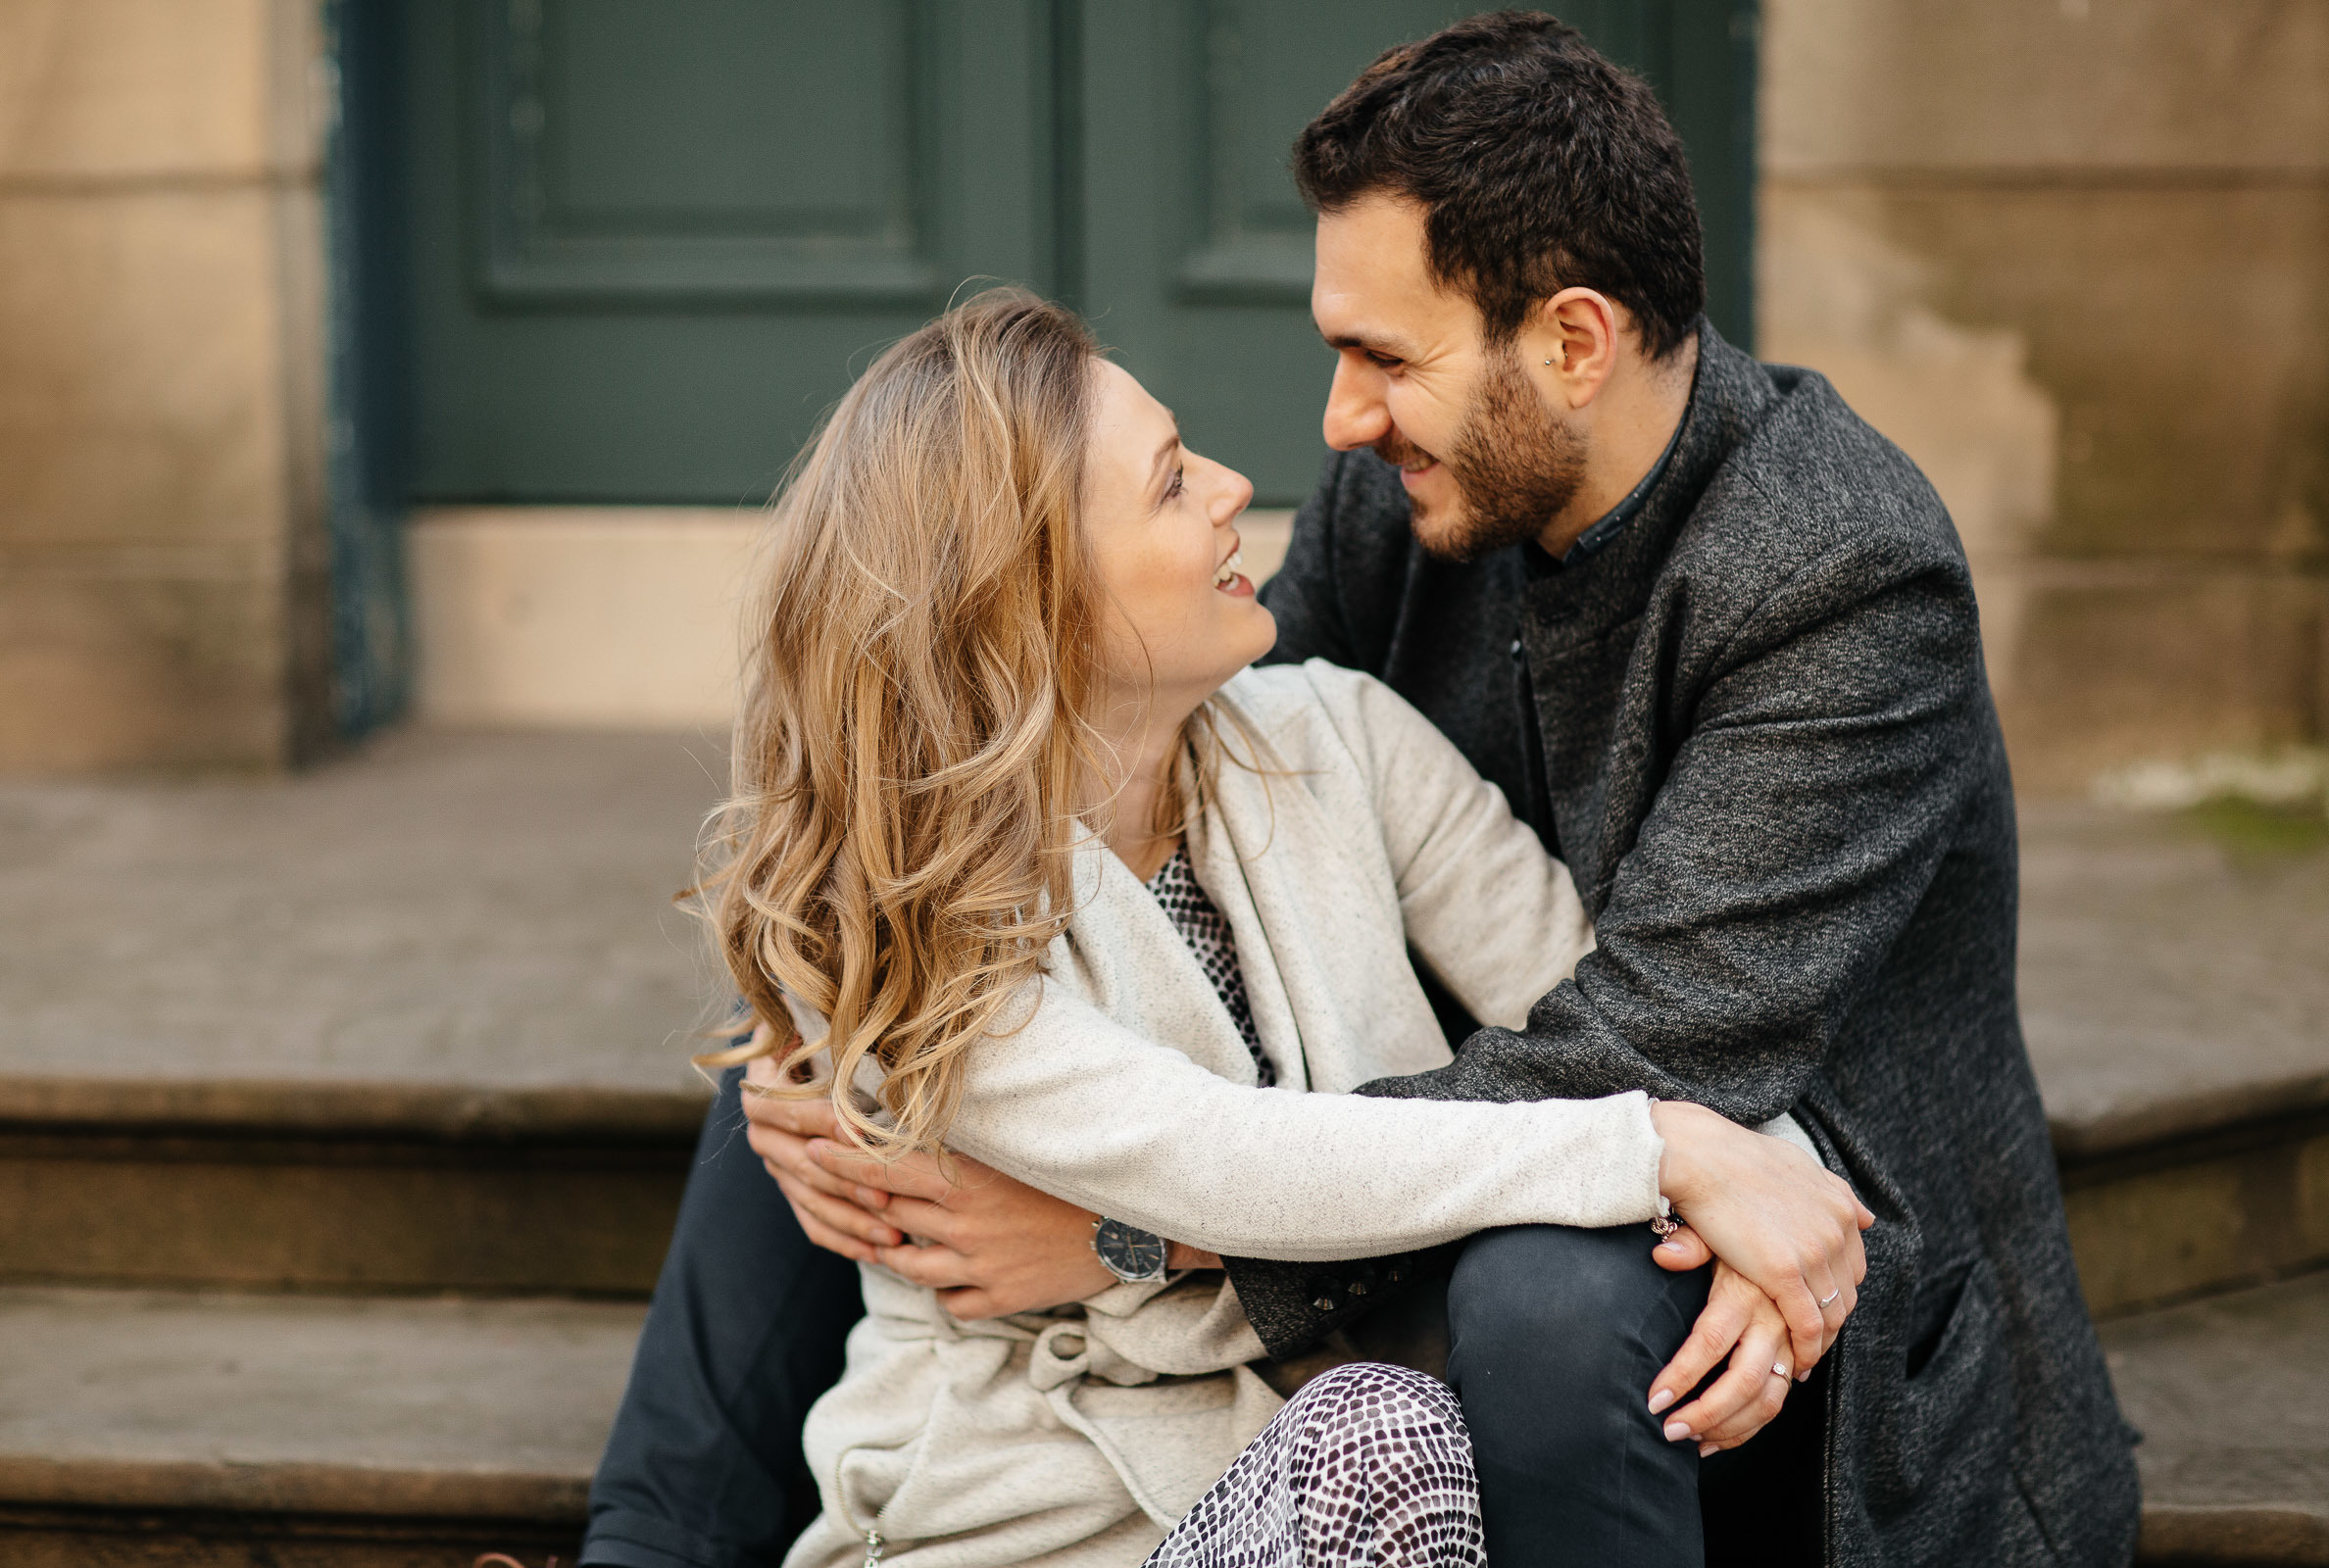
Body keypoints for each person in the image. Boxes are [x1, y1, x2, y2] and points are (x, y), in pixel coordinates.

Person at [588, 13, 2141, 1568]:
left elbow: (1652, 1063)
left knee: (1538, 1290)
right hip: (1471, 1156)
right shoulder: (1407, 490)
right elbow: (1211, 755)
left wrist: (1141, 1238)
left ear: (1574, 343)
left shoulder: (1837, 574)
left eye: (1385, 358)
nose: (1333, 424)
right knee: (830, 1040)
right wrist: (831, 1052)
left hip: (1764, 1264)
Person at [621, 285, 1862, 1568]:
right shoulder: (915, 913)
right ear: (1024, 596)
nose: (1231, 488)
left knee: (1394, 1434)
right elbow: (1227, 1156)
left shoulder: (1340, 734)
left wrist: (1773, 1195)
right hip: (1029, 1536)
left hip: (1321, 1503)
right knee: (1382, 1433)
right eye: (1168, 484)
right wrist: (1657, 1154)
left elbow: (1614, 1025)